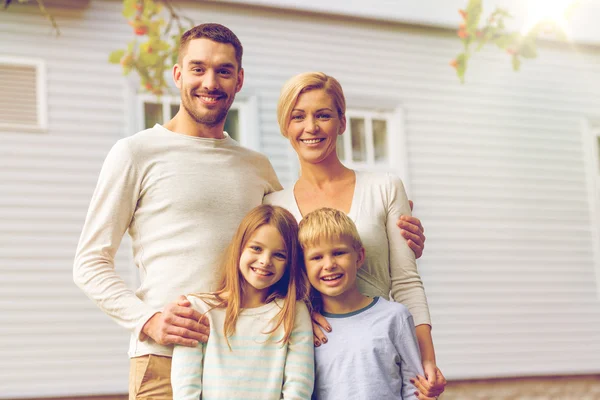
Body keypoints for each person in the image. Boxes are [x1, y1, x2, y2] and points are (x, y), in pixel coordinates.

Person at [73, 23, 425, 399]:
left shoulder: (256, 166)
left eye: (223, 71)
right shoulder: (136, 154)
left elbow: (298, 242)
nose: (210, 82)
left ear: (238, 80)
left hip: (252, 365)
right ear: (178, 74)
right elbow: (90, 263)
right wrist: (148, 320)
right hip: (166, 355)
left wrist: (387, 234)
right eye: (198, 68)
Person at [263, 72, 446, 398]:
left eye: (323, 115)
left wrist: (426, 360)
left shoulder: (385, 188)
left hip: (375, 358)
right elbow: (272, 289)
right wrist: (302, 316)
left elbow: (405, 281)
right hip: (307, 361)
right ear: (285, 127)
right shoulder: (274, 205)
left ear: (342, 122)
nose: (311, 127)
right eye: (298, 116)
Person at [171, 205, 314, 399]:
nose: (265, 261)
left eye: (279, 255)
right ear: (239, 248)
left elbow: (299, 388)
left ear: (290, 263)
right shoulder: (198, 310)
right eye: (256, 248)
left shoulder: (293, 312)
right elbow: (185, 390)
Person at [299, 207, 432, 400]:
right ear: (304, 266)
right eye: (317, 257)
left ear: (359, 257)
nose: (329, 264)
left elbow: (415, 390)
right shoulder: (306, 329)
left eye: (338, 253)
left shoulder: (395, 317)